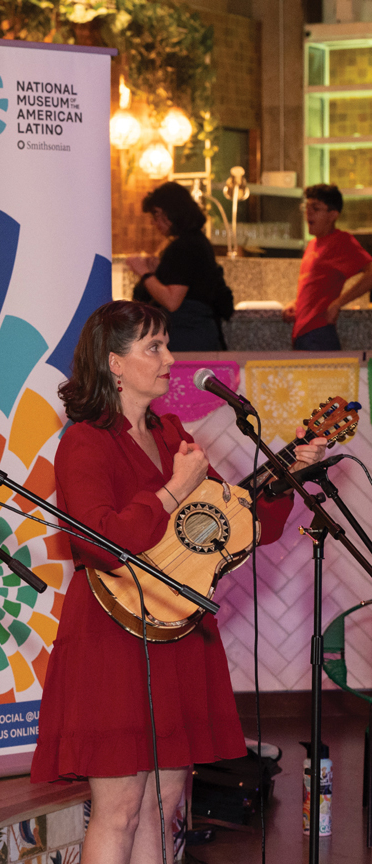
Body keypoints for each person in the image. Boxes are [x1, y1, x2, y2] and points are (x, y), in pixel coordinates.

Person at [30, 301, 325, 864]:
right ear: (114, 363)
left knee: (165, 806)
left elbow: (232, 524)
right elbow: (99, 542)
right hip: (113, 635)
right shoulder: (85, 442)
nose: (170, 358)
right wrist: (172, 490)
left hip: (177, 629)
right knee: (120, 811)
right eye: (154, 347)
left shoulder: (171, 435)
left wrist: (287, 476)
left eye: (167, 344)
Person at [126, 181, 227, 351]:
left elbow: (172, 301)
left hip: (187, 336)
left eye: (157, 214)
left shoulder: (184, 246)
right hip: (198, 333)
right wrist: (156, 272)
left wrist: (144, 272)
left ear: (172, 212)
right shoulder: (196, 241)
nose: (154, 222)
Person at [282, 183, 372, 350]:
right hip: (302, 333)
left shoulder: (340, 241)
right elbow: (315, 288)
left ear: (333, 215)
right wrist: (296, 304)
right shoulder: (312, 245)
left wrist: (338, 303)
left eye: (315, 208)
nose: (308, 213)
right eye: (307, 207)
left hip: (319, 332)